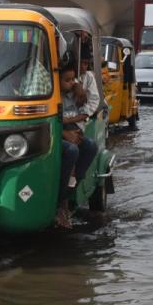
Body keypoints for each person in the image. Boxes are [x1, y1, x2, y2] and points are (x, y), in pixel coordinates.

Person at [56, 62, 98, 229]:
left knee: (90, 146)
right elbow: (52, 121)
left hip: (71, 132)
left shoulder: (73, 93)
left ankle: (72, 186)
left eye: (73, 79)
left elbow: (88, 107)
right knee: (71, 151)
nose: (72, 82)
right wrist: (65, 133)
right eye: (68, 80)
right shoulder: (53, 96)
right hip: (54, 134)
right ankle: (61, 200)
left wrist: (78, 87)